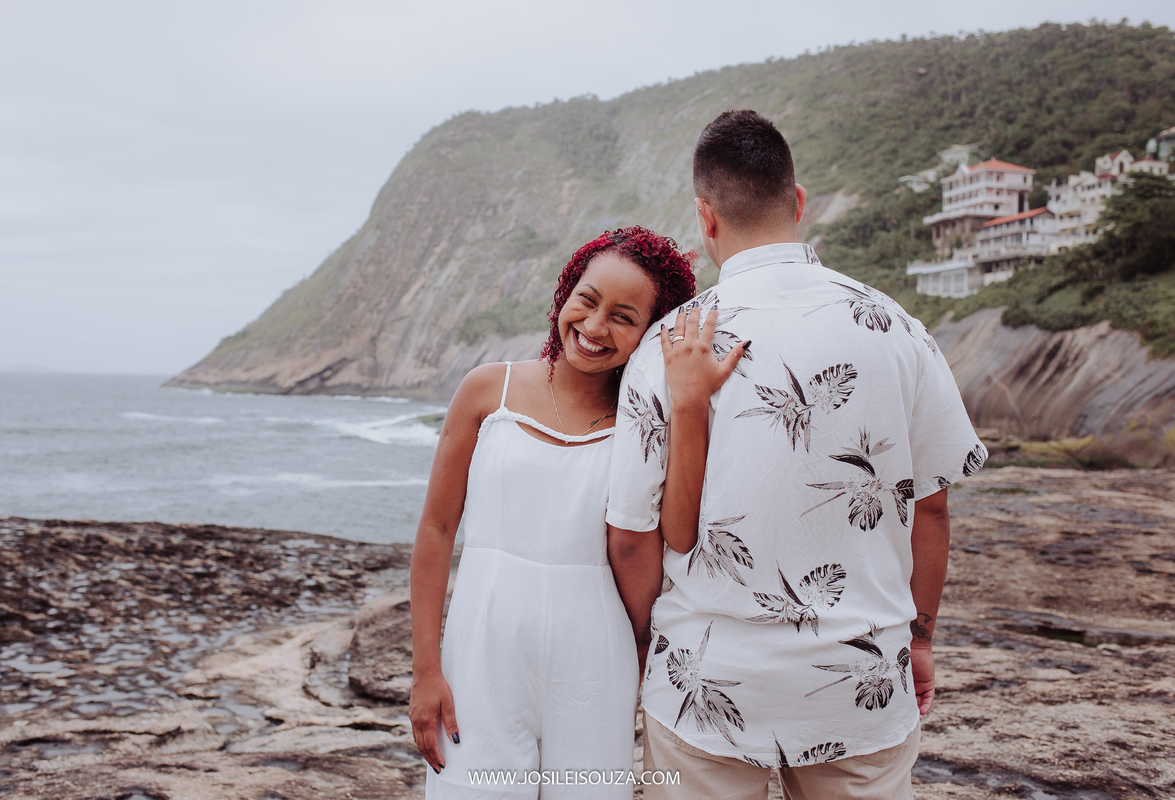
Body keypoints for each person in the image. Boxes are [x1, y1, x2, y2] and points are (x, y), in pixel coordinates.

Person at [606, 110, 986, 800]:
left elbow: (633, 536)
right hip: (860, 683)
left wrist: (640, 645)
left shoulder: (671, 345)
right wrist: (921, 640)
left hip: (706, 683)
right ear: (800, 201)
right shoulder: (894, 327)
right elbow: (929, 509)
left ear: (705, 216)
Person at [409, 226, 746, 798]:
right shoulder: (488, 390)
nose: (594, 326)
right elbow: (437, 530)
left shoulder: (646, 423)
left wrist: (689, 406)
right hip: (480, 652)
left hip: (596, 657)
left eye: (623, 317)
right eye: (586, 300)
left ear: (650, 332)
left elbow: (674, 533)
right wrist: (425, 671)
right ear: (566, 291)